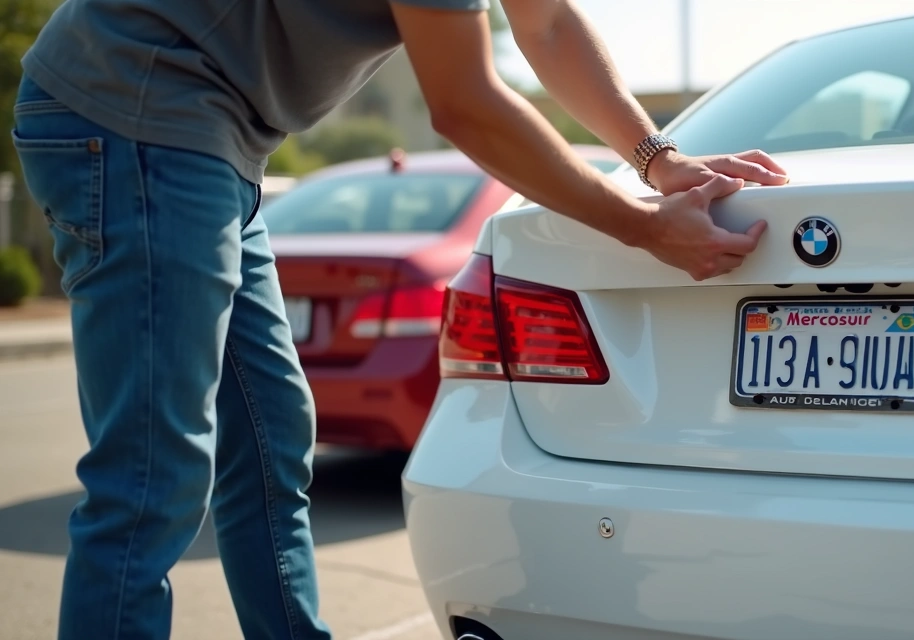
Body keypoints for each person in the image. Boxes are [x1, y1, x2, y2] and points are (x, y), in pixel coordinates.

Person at [12, 0, 789, 638]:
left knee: (270, 437)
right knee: (153, 469)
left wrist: (656, 159)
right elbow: (465, 105)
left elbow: (546, 22)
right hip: (133, 105)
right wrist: (642, 225)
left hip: (212, 135)